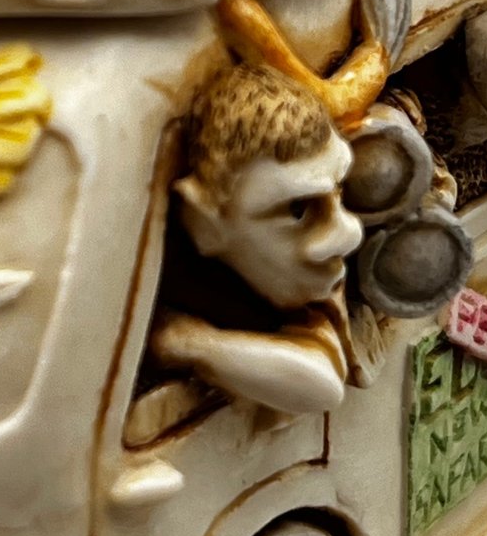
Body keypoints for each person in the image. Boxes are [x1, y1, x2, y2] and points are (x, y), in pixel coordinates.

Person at [147, 65, 363, 420]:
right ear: (203, 221)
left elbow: (321, 379)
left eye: (338, 190)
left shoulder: (302, 288)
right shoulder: (160, 259)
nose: (349, 234)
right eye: (297, 209)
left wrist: (190, 343)